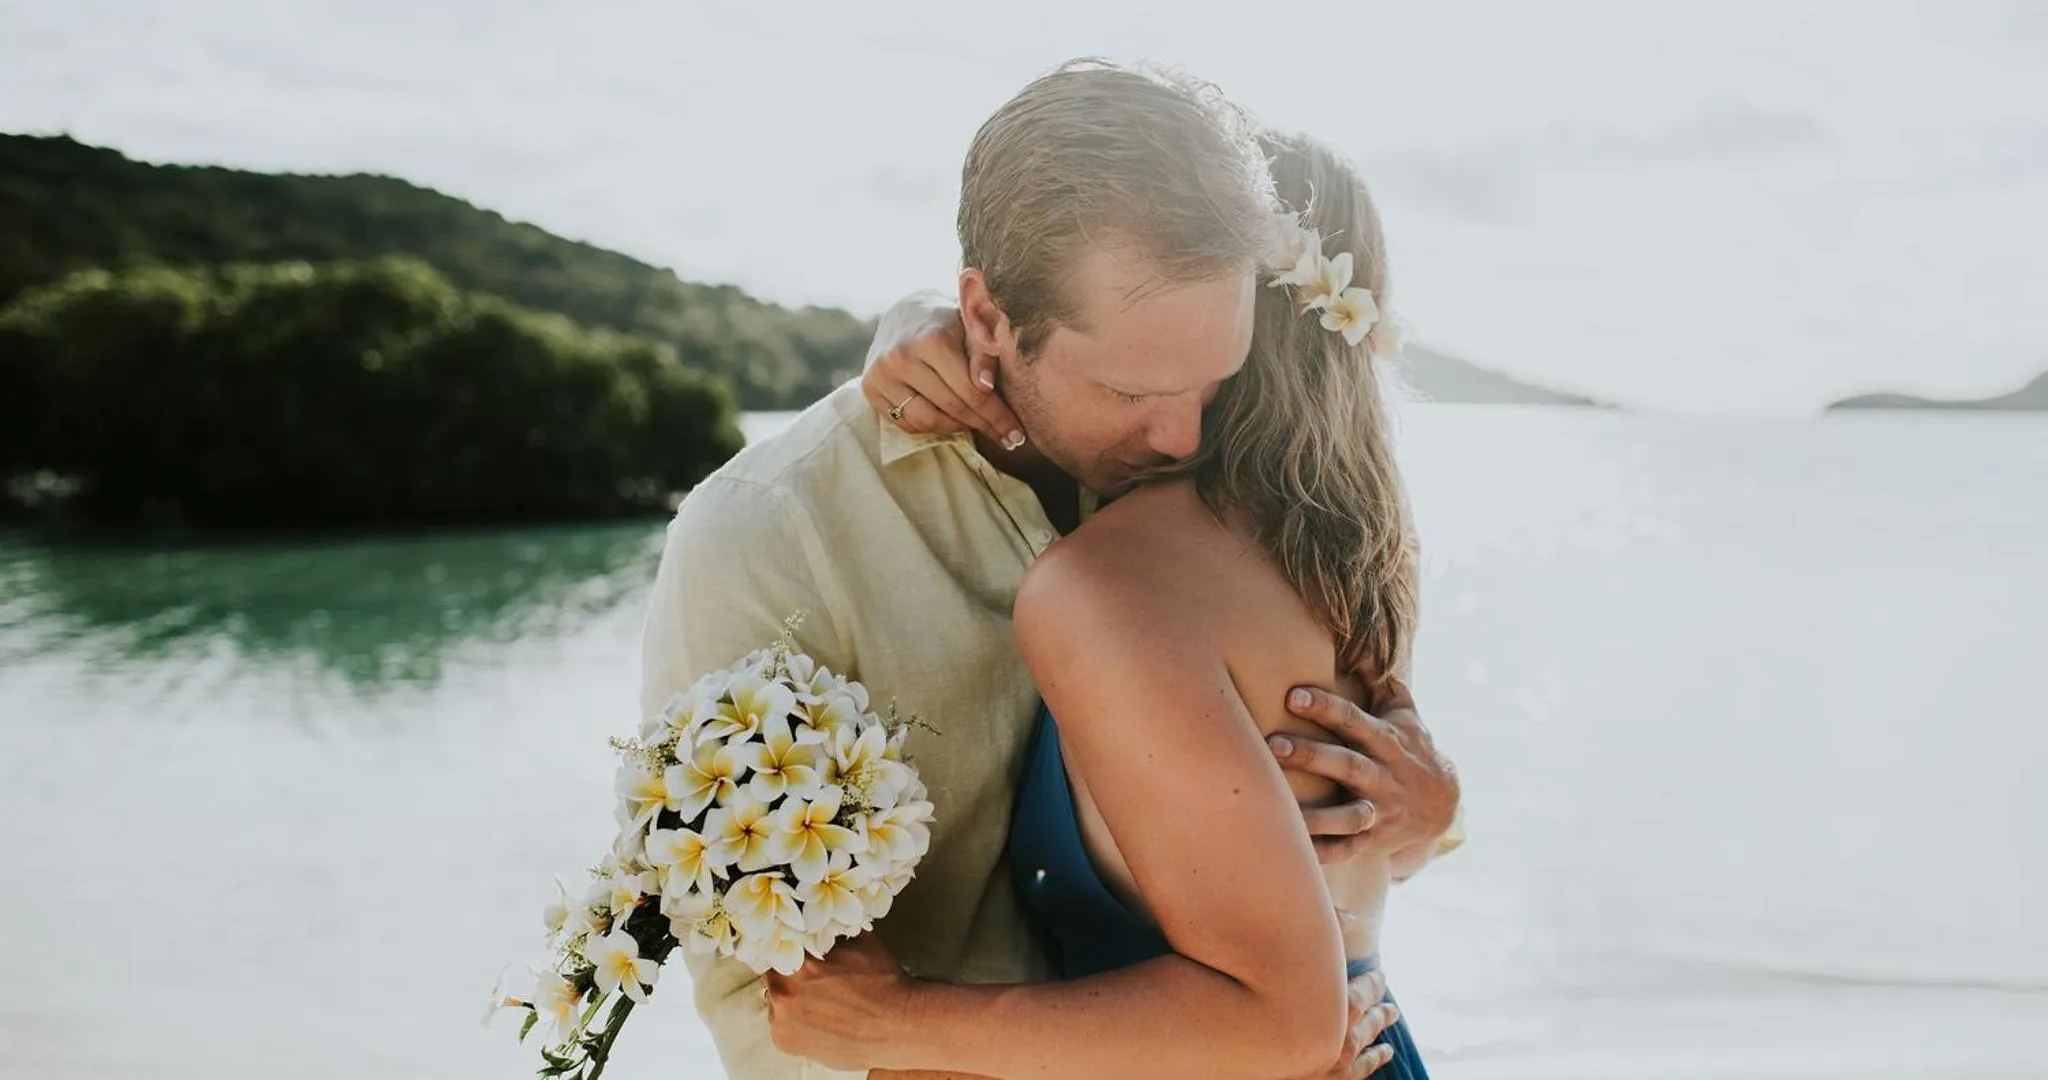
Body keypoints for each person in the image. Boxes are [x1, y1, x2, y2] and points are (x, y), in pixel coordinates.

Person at [641, 60, 1461, 1080]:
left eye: (1215, 381)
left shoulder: (1211, 502)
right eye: (1131, 391)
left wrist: (1427, 817)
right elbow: (784, 1020)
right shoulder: (768, 536)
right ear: (985, 319)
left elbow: (1306, 839)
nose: (1182, 433)